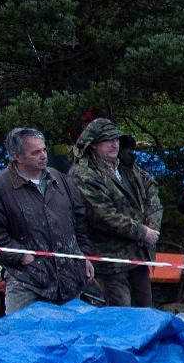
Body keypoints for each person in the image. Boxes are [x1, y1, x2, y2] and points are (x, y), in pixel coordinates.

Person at [0, 127, 93, 312]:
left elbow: (79, 220)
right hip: (27, 282)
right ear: (17, 156)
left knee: (70, 338)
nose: (43, 155)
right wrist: (22, 257)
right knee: (23, 338)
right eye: (36, 152)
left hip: (70, 280)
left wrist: (84, 255)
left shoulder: (60, 180)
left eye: (44, 150)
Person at [67, 119, 162, 308]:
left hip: (138, 253)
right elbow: (103, 215)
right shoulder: (83, 174)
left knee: (145, 310)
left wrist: (152, 227)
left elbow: (152, 195)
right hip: (109, 260)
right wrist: (141, 232)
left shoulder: (128, 168)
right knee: (120, 314)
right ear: (93, 144)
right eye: (107, 140)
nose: (114, 144)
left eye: (117, 139)